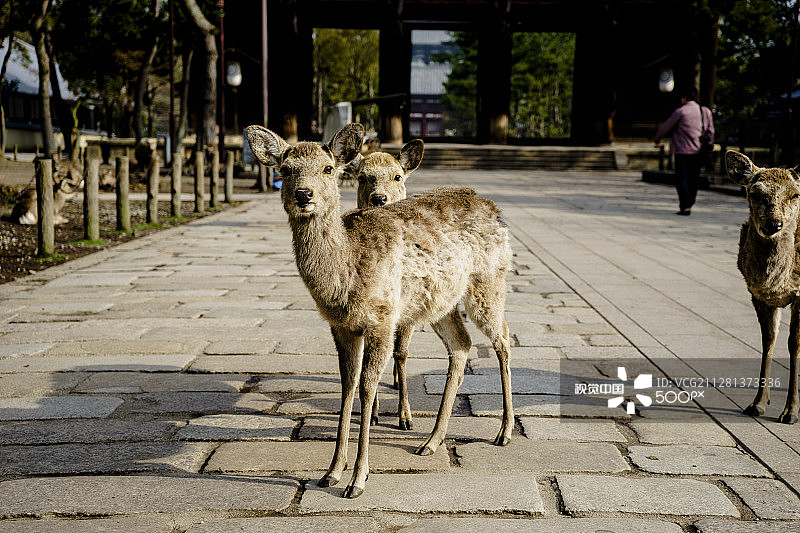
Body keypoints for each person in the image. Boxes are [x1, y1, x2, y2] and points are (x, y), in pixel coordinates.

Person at [654, 87, 715, 216]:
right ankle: (690, 202)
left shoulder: (681, 111)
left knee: (682, 178)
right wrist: (709, 145)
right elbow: (711, 131)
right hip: (698, 151)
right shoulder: (705, 112)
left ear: (684, 98)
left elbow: (666, 126)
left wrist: (657, 138)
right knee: (694, 178)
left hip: (682, 151)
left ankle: (685, 205)